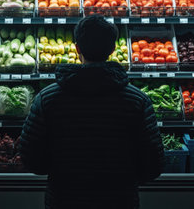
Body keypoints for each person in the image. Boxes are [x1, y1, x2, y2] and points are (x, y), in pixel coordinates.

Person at [18, 15, 164, 209]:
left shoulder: (47, 98)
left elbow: (31, 159)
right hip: (120, 200)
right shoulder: (137, 100)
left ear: (77, 48)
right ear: (112, 49)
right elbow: (153, 164)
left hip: (64, 199)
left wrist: (61, 170)